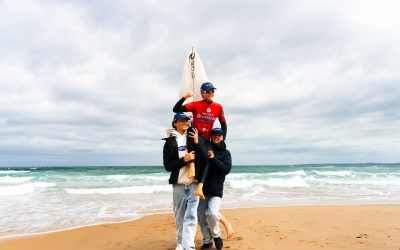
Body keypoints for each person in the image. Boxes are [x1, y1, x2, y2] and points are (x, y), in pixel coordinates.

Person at [173, 82, 227, 199]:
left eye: (213, 91)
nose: (211, 93)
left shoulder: (218, 107)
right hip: (196, 135)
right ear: (202, 93)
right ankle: (191, 165)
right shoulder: (195, 105)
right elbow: (176, 109)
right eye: (208, 91)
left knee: (208, 159)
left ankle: (200, 188)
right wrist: (186, 96)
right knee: (192, 129)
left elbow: (223, 124)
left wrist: (223, 140)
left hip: (206, 140)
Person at [163, 112, 208, 250]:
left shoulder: (194, 136)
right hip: (179, 185)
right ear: (174, 123)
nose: (185, 122)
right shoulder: (169, 142)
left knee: (191, 216)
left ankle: (189, 246)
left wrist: (196, 142)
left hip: (194, 183)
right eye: (181, 120)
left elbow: (204, 158)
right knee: (180, 216)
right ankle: (180, 243)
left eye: (187, 120)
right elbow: (168, 166)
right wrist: (185, 160)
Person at [197, 128, 232, 249]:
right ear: (210, 137)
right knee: (201, 215)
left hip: (216, 189)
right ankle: (207, 240)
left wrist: (213, 159)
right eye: (214, 135)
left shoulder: (226, 153)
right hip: (202, 188)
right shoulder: (205, 149)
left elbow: (226, 169)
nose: (217, 137)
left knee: (211, 213)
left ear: (222, 137)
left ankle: (216, 235)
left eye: (219, 135)